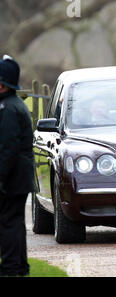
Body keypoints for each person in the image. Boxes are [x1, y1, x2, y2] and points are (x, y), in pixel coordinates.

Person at [0, 55, 34, 276]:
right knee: (14, 222)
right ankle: (19, 265)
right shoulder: (12, 105)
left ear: (2, 84)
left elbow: (7, 148)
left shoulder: (7, 109)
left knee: (9, 223)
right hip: (18, 177)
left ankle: (12, 267)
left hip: (12, 178)